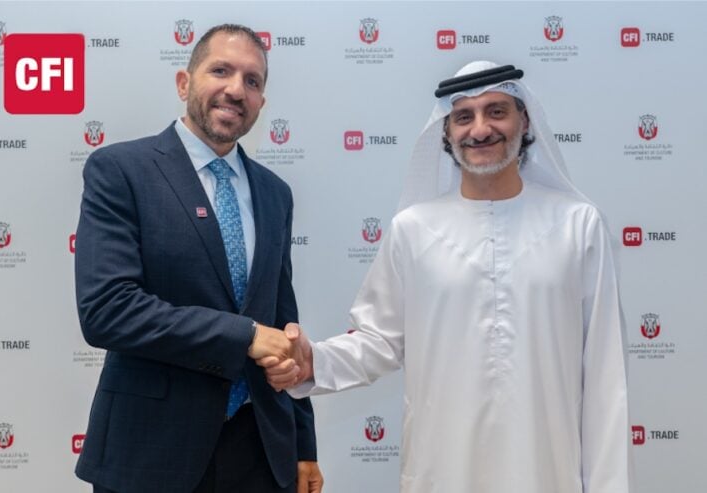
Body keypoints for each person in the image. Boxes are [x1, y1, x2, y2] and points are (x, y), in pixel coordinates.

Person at [262, 61, 632, 493]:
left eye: (497, 111)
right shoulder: (413, 230)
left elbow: (605, 376)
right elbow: (379, 341)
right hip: (441, 472)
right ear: (446, 131)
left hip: (548, 471)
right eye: (463, 117)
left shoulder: (578, 225)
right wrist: (315, 363)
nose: (480, 129)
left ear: (524, 120)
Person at [74, 24, 323, 493]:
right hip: (151, 452)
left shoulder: (275, 194)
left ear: (261, 102)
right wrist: (246, 336)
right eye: (221, 71)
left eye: (252, 81)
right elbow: (107, 311)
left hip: (261, 452)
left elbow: (283, 323)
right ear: (184, 83)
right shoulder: (121, 170)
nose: (236, 90)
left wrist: (303, 444)